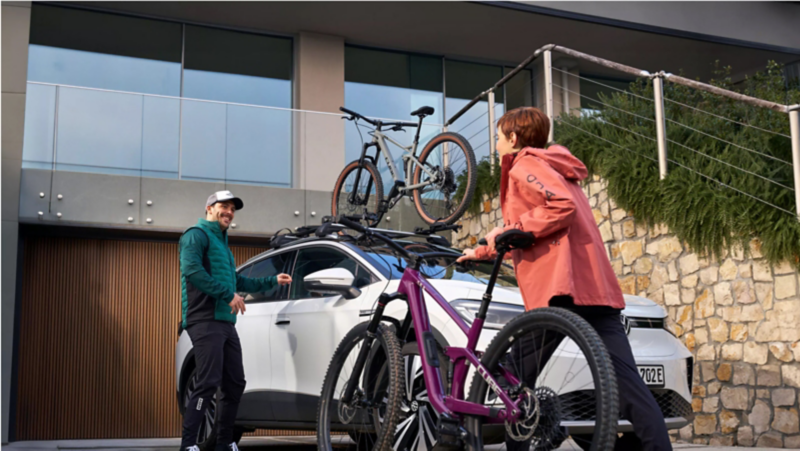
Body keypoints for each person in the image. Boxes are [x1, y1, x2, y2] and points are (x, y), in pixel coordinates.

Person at [457, 107, 671, 451]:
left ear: (513, 138)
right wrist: (482, 250)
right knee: (629, 386)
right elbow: (527, 224)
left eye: (498, 137)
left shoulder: (525, 164)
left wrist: (515, 231)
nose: (495, 144)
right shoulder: (558, 167)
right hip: (596, 291)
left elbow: (559, 207)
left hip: (561, 290)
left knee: (510, 375)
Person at [179, 190, 292, 451]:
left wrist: (272, 281)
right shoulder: (195, 235)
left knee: (235, 383)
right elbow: (192, 271)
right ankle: (188, 445)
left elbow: (239, 281)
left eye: (232, 208)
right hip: (204, 319)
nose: (229, 212)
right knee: (207, 382)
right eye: (224, 206)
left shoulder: (224, 248)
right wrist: (227, 294)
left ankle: (224, 443)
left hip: (225, 323)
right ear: (209, 208)